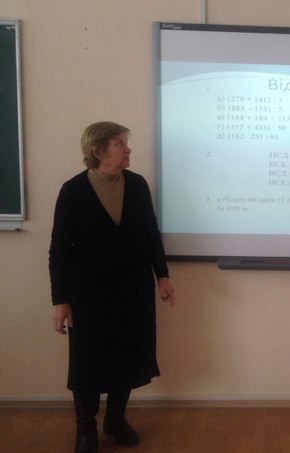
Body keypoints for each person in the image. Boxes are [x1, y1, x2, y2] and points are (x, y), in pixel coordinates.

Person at [49, 121, 176, 453]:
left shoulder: (137, 185)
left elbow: (150, 233)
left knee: (127, 356)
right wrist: (60, 299)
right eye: (120, 143)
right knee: (87, 362)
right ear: (97, 150)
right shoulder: (73, 191)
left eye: (125, 143)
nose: (128, 149)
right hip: (88, 295)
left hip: (133, 290)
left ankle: (116, 419)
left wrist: (162, 275)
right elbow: (59, 249)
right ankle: (85, 430)